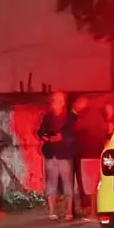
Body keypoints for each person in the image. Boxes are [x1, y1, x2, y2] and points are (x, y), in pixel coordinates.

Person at [37, 91, 76, 221]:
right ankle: (52, 211)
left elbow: (75, 134)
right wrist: (44, 137)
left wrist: (62, 138)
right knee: (51, 183)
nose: (53, 102)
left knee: (67, 184)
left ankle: (69, 211)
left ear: (62, 102)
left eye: (56, 99)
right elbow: (40, 131)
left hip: (65, 154)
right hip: (51, 153)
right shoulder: (47, 117)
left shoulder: (70, 117)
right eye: (53, 99)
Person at [70, 95, 105, 220]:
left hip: (88, 155)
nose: (76, 105)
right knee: (95, 184)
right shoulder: (98, 115)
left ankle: (93, 213)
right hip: (97, 153)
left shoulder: (87, 116)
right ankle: (95, 211)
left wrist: (74, 114)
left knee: (91, 185)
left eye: (78, 102)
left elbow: (75, 128)